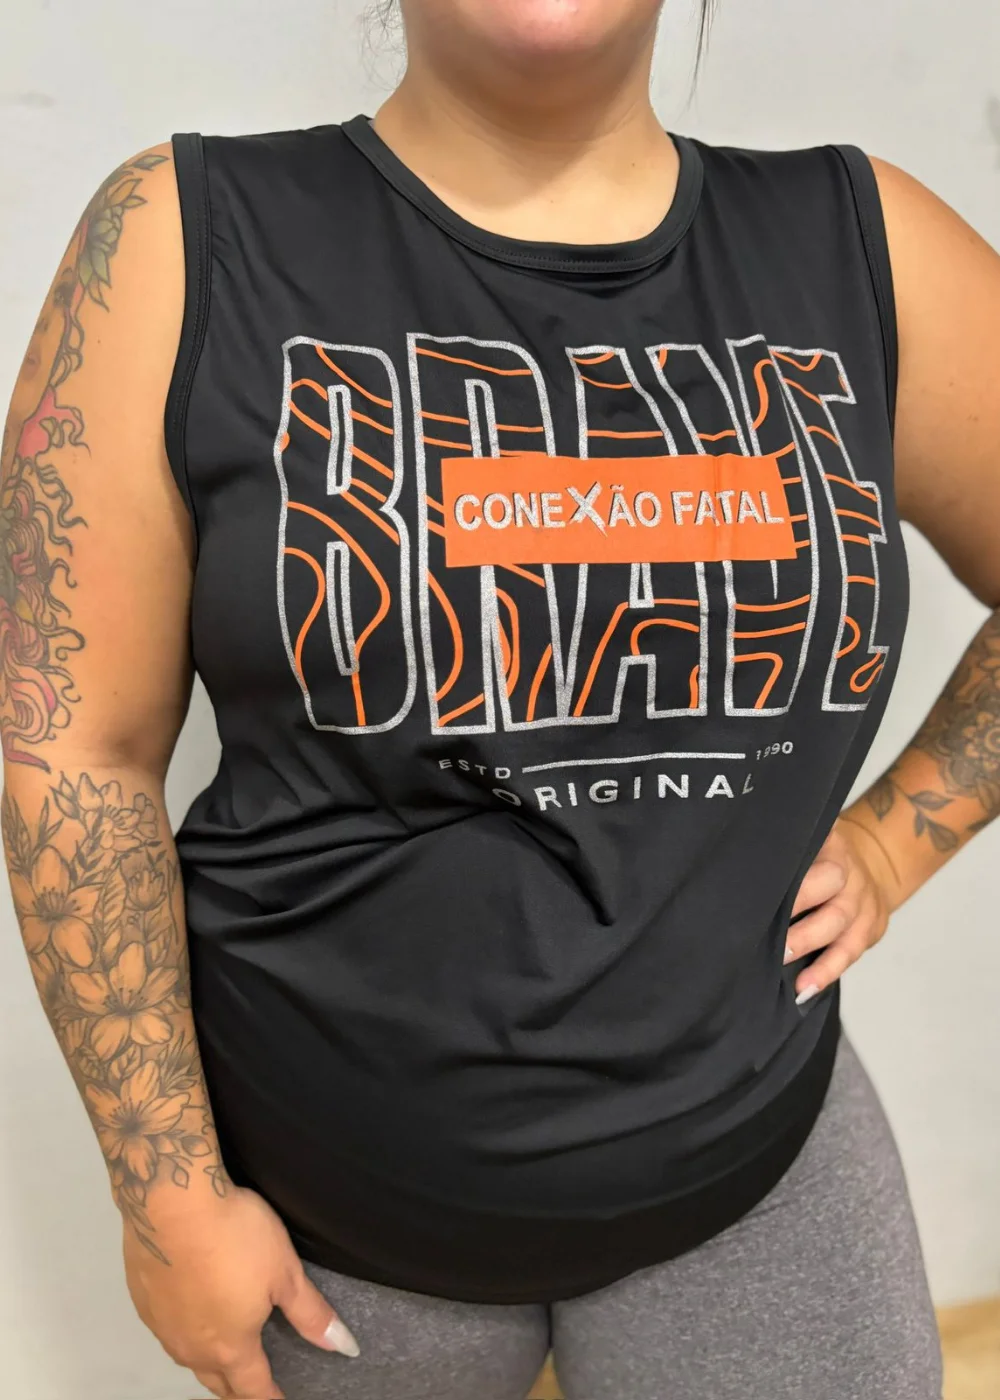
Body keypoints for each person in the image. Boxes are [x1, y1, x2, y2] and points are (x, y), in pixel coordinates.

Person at [4, 0, 998, 1396]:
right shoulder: (182, 239)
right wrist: (163, 1190)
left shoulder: (862, 243)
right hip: (328, 1218)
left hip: (753, 1161)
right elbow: (73, 744)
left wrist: (896, 840)